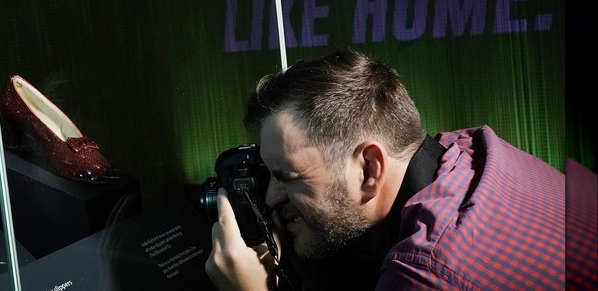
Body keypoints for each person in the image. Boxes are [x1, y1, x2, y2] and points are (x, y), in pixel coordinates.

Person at [205, 46, 591, 290]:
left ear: (370, 168)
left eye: (287, 176)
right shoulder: (468, 150)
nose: (271, 196)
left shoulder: (427, 272)